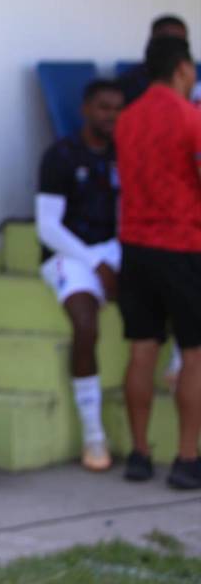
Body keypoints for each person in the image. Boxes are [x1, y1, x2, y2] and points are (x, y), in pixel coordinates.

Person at [114, 34, 201, 489]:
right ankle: (186, 459)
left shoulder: (126, 120)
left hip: (134, 248)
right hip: (183, 247)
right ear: (182, 69)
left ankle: (139, 454)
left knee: (141, 351)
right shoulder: (191, 117)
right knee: (195, 355)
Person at [36, 79, 124, 471]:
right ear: (86, 109)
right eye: (104, 107)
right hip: (69, 254)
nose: (111, 116)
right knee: (85, 325)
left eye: (118, 109)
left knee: (175, 287)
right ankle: (94, 435)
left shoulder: (124, 151)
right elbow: (47, 227)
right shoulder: (61, 155)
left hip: (115, 247)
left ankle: (176, 369)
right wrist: (95, 263)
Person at [118, 15, 189, 105]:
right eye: (164, 42)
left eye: (178, 44)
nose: (170, 48)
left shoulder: (195, 83)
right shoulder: (128, 82)